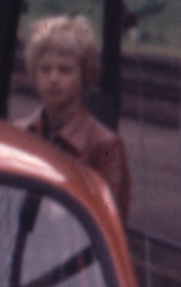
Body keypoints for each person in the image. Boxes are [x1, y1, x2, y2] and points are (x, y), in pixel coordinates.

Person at [23, 12, 131, 221]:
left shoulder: (105, 147)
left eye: (65, 70)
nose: (53, 78)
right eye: (44, 69)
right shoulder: (21, 133)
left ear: (85, 75)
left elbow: (110, 222)